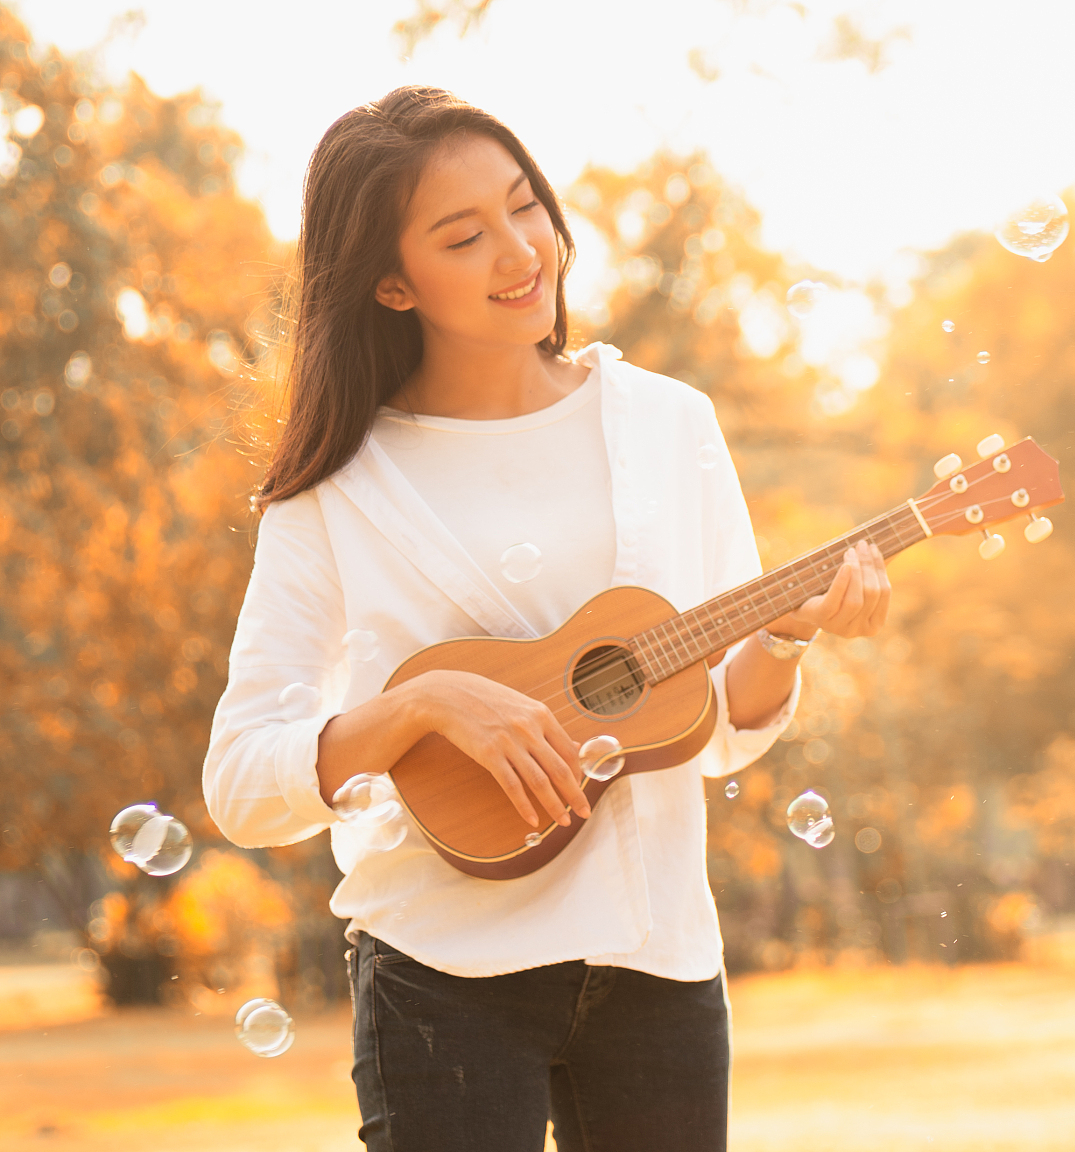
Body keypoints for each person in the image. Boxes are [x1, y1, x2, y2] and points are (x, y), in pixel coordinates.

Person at [201, 86, 891, 1152]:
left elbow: (710, 731)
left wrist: (788, 636)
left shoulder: (668, 424)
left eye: (524, 205)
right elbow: (242, 783)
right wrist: (425, 706)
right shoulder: (335, 493)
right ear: (391, 282)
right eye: (463, 235)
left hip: (657, 965)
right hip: (440, 978)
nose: (520, 250)